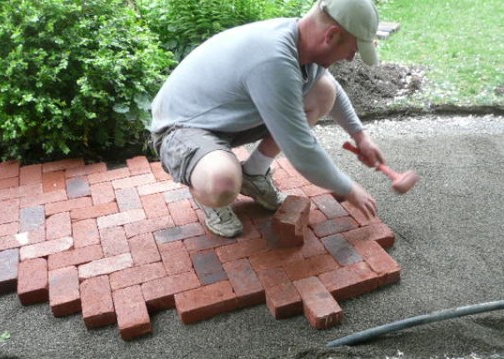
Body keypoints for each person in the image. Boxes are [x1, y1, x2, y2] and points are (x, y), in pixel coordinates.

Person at [150, 0, 386, 238]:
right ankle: (209, 191)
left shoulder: (300, 42)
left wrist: (360, 136)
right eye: (352, 50)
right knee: (222, 182)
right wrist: (349, 188)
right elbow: (302, 149)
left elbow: (331, 90)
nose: (349, 58)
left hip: (225, 117)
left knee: (323, 90)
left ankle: (253, 174)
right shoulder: (274, 59)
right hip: (182, 127)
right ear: (331, 35)